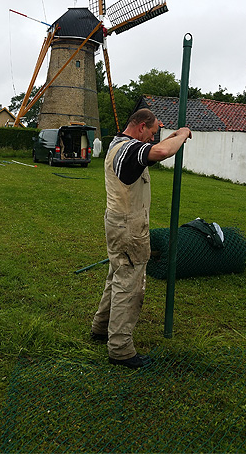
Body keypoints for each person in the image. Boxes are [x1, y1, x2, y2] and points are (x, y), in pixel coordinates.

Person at [91, 109, 192, 369]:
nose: (152, 139)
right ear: (140, 127)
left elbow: (151, 155)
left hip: (117, 221)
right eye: (151, 133)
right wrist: (182, 134)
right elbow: (160, 152)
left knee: (117, 274)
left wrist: (168, 138)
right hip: (129, 226)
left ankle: (100, 328)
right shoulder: (130, 148)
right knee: (130, 284)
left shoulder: (117, 145)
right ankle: (121, 349)